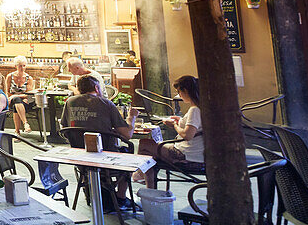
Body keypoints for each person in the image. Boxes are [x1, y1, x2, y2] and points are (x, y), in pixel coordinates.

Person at [60, 73, 137, 206]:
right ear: (96, 88)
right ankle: (121, 197)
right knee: (129, 154)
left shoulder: (70, 102)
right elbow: (127, 135)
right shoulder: (106, 103)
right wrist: (132, 117)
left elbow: (65, 128)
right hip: (104, 157)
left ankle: (90, 187)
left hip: (80, 157)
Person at [135, 75, 203, 187]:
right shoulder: (202, 107)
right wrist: (180, 120)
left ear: (185, 91)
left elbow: (188, 135)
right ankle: (145, 178)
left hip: (187, 154)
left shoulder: (194, 110)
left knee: (144, 145)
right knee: (150, 152)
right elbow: (194, 127)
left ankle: (143, 177)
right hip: (196, 152)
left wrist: (175, 125)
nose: (179, 95)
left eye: (179, 92)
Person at [6, 55, 38, 134]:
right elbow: (7, 92)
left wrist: (15, 95)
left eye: (24, 66)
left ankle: (17, 132)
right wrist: (12, 97)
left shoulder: (29, 78)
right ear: (15, 66)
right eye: (20, 66)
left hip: (25, 102)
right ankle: (25, 124)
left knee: (16, 104)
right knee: (16, 101)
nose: (22, 68)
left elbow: (28, 94)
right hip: (11, 100)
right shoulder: (10, 76)